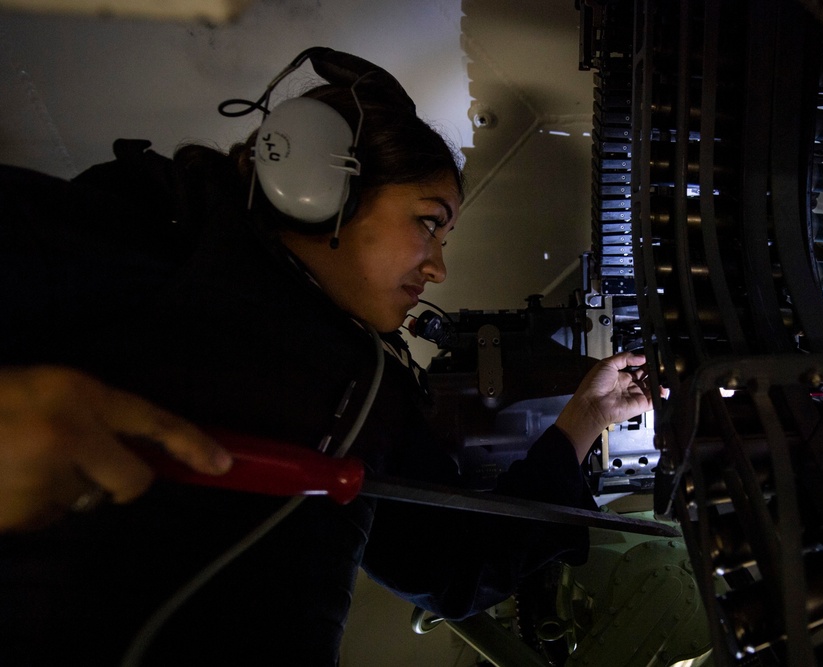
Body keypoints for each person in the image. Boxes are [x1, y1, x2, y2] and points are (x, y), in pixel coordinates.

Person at [0, 48, 654, 666]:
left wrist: (585, 417)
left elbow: (452, 564)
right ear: (318, 185)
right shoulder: (164, 223)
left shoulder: (374, 391)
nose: (438, 266)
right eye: (429, 221)